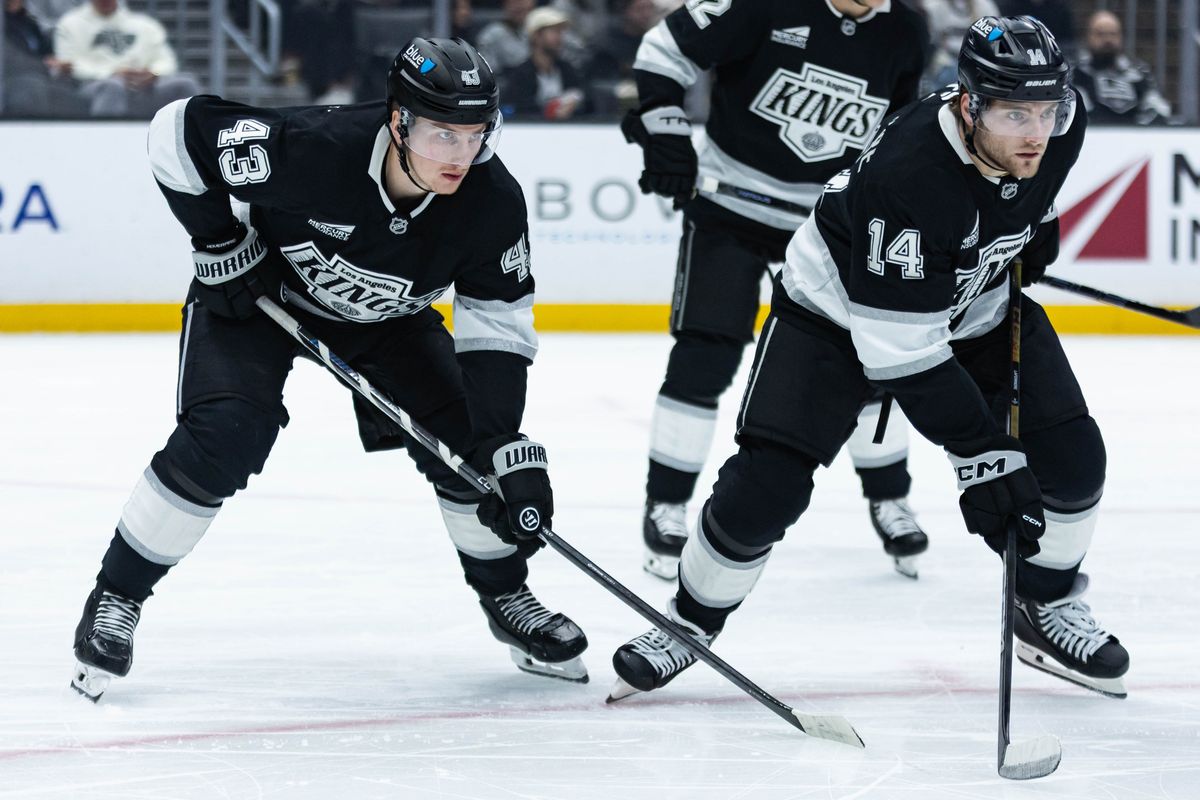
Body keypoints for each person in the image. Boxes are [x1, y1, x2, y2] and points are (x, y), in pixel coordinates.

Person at [609, 16, 1130, 704]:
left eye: (1046, 109)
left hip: (972, 307)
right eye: (1013, 114)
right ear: (969, 104)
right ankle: (686, 623)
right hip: (834, 317)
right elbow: (900, 351)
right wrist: (981, 454)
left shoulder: (1061, 124)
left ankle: (1044, 604)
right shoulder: (910, 173)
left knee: (1075, 459)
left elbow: (1031, 187)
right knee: (765, 492)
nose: (1036, 131)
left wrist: (1032, 228)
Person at [70, 37, 588, 701]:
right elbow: (175, 131)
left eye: (474, 135)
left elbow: (498, 328)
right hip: (258, 297)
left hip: (390, 322)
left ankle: (506, 596)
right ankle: (117, 596)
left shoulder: (492, 203)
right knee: (226, 436)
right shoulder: (315, 147)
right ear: (398, 120)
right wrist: (219, 241)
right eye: (441, 135)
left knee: (470, 455)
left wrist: (500, 448)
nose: (460, 155)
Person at [622, 0, 931, 582]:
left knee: (871, 361)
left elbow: (898, 132)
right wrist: (665, 130)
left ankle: (889, 496)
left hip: (829, 222)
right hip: (730, 205)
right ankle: (665, 503)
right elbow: (663, 49)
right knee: (704, 356)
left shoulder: (905, 27)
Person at [52, 0, 201, 118]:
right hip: (94, 87)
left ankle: (194, 146)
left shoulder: (145, 25)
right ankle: (105, 144)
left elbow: (167, 60)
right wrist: (112, 73)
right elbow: (68, 64)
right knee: (113, 87)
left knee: (185, 84)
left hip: (142, 88)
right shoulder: (70, 23)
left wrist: (153, 73)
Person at [1073, 10, 1171, 126]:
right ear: (1089, 36)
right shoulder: (1076, 72)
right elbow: (1075, 109)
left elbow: (1158, 107)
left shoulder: (1139, 72)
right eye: (1101, 34)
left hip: (1135, 136)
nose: (1107, 40)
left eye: (1113, 34)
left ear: (1121, 37)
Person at [503, 6, 589, 120]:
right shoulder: (520, 75)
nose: (559, 37)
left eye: (560, 32)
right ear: (536, 36)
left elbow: (587, 98)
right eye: (554, 31)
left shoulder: (567, 69)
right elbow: (519, 111)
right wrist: (549, 111)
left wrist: (575, 103)